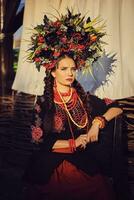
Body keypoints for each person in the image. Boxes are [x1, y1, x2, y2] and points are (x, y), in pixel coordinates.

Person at [23, 10, 123, 200]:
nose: (70, 73)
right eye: (64, 69)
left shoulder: (83, 97)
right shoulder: (44, 103)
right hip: (52, 162)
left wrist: (97, 123)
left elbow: (116, 107)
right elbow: (38, 141)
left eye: (73, 69)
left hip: (81, 160)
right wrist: (73, 142)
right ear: (53, 72)